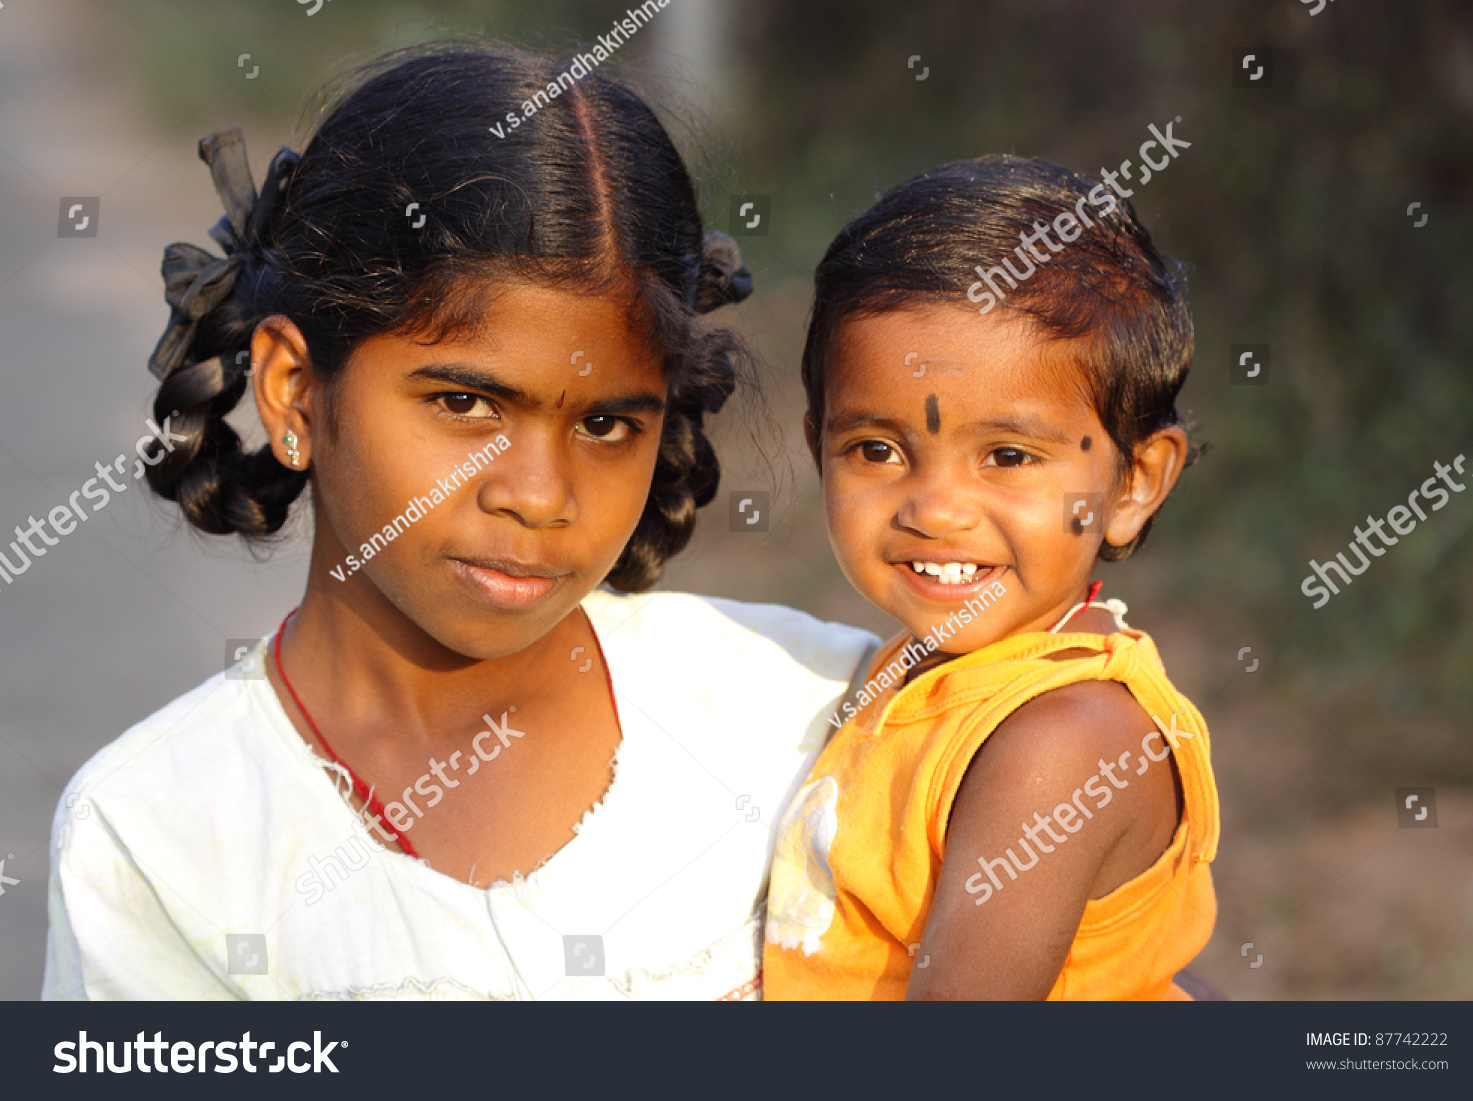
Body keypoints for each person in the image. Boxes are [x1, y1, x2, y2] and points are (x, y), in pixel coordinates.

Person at [42, 40, 876, 1001]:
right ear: (293, 391)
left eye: (605, 423)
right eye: (465, 405)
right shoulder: (156, 836)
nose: (537, 494)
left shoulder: (808, 709)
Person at [763, 154, 1221, 1000]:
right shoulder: (924, 671)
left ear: (1135, 483)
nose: (935, 509)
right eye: (877, 450)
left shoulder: (1062, 743)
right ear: (816, 443)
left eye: (1008, 456)